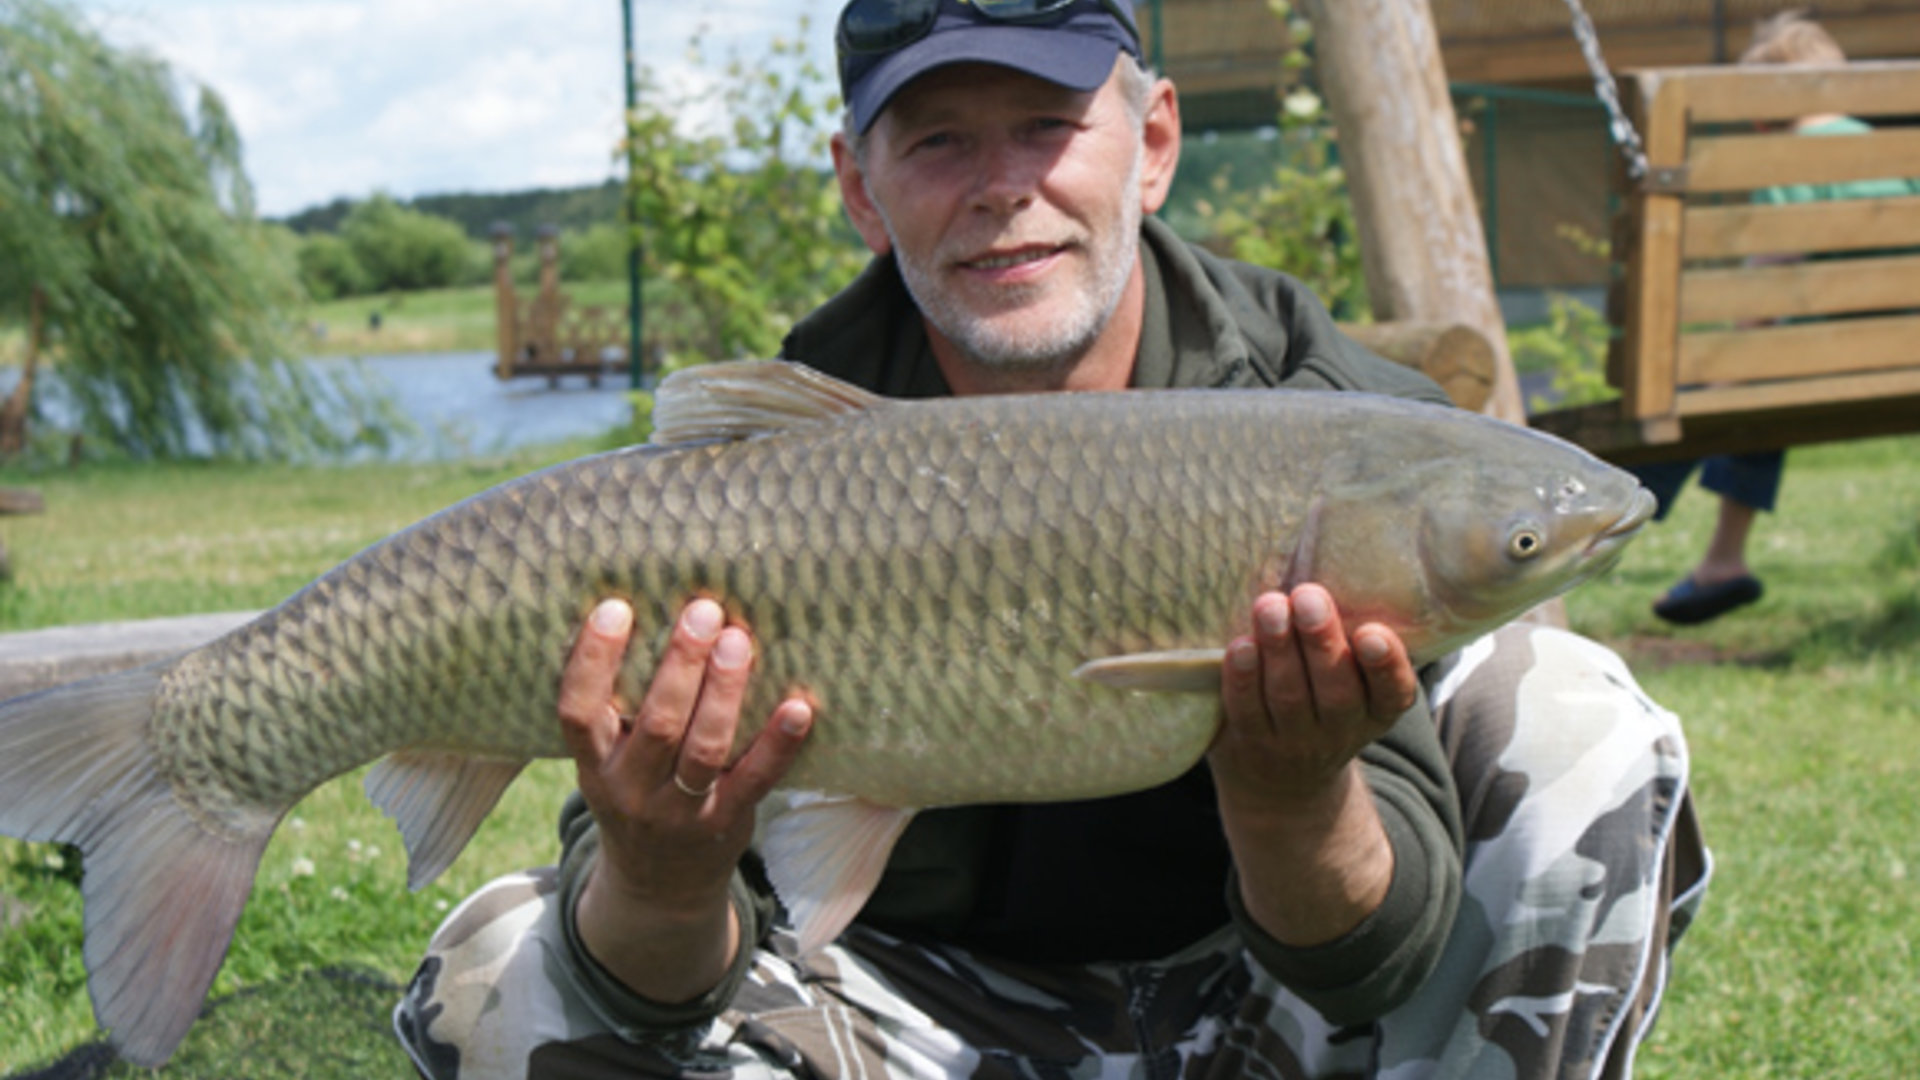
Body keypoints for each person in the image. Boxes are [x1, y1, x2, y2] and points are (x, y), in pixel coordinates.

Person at [394, 3, 1706, 1077]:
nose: (1003, 188)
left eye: (1048, 125)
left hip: (1263, 1011)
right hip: (892, 1018)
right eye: (940, 142)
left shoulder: (1327, 426)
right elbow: (653, 980)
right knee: (500, 976)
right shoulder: (768, 475)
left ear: (1151, 143)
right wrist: (666, 874)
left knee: (1576, 716)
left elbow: (1375, 961)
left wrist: (1292, 788)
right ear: (861, 187)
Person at [1637, 9, 1920, 626]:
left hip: (1810, 363)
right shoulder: (1893, 152)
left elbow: (1763, 298)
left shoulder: (1786, 164)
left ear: (1763, 109)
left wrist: (1727, 364)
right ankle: (1718, 561)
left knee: (1727, 392)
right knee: (1762, 384)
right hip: (1905, 359)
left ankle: (1605, 527)